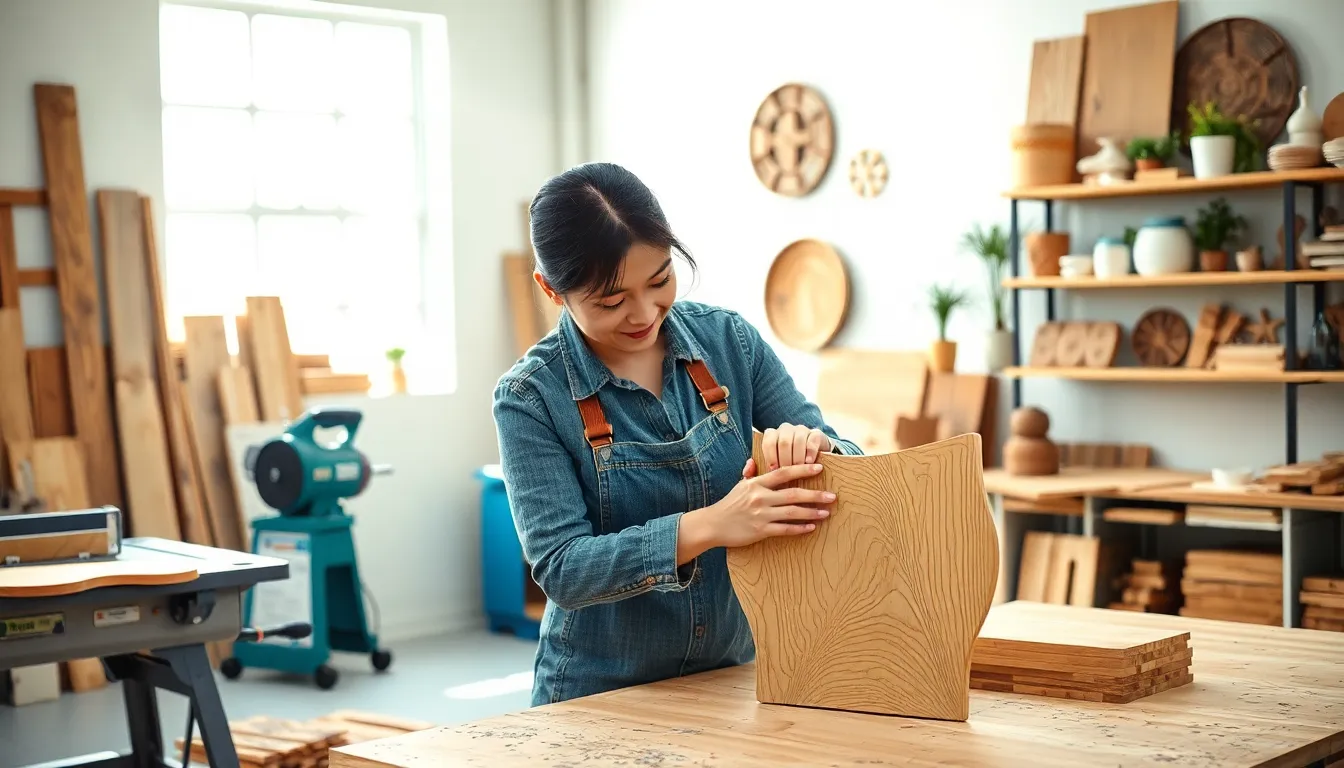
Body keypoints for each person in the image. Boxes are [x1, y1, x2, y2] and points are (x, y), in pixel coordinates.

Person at [492, 162, 862, 706]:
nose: (644, 313)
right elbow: (563, 568)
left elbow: (850, 458)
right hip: (595, 695)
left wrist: (818, 449)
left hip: (730, 678)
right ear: (551, 289)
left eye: (660, 279)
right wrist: (713, 525)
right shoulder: (530, 397)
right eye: (611, 301)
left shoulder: (729, 340)